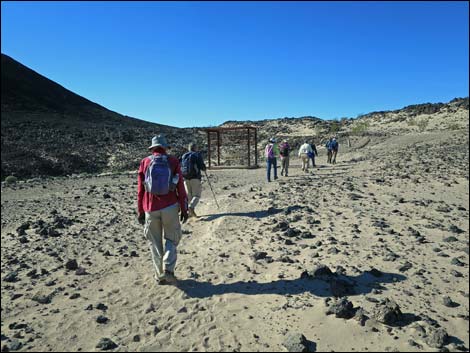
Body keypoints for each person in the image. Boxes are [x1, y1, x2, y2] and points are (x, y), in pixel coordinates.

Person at [137, 134, 188, 285]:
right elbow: (180, 187)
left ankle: (159, 276)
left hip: (150, 207)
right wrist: (184, 209)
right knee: (172, 238)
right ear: (165, 147)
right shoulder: (172, 161)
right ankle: (169, 268)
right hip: (171, 206)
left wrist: (140, 210)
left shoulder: (145, 162)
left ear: (152, 148)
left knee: (154, 243)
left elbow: (140, 190)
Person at [181, 143, 206, 218]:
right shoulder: (197, 155)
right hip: (195, 178)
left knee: (189, 196)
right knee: (197, 195)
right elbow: (202, 167)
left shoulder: (184, 156)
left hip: (185, 178)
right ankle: (191, 207)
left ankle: (190, 213)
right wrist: (204, 168)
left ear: (189, 148)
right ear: (195, 148)